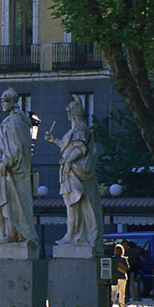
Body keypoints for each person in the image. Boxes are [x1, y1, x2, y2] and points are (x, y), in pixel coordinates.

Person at [45, 96, 102, 248]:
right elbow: (70, 147)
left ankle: (73, 235)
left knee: (73, 204)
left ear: (71, 114)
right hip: (68, 171)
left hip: (73, 172)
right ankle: (72, 234)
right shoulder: (77, 130)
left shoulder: (81, 129)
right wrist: (55, 140)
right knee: (71, 204)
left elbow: (80, 148)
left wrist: (68, 160)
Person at [0, 88, 39, 247]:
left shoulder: (15, 122)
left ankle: (10, 234)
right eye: (2, 100)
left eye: (5, 101)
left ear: (13, 103)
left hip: (11, 170)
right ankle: (2, 234)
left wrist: (6, 162)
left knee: (7, 202)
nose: (2, 104)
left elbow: (16, 147)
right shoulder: (13, 121)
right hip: (4, 170)